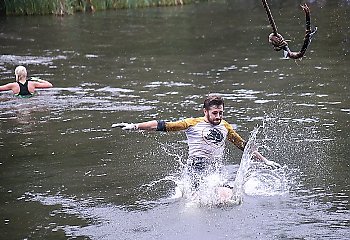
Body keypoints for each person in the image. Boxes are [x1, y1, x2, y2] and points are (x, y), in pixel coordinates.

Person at [113, 95, 280, 201]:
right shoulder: (192, 124)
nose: (218, 116)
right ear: (205, 111)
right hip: (196, 167)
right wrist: (135, 126)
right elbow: (163, 125)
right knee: (209, 200)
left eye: (221, 113)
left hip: (215, 168)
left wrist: (266, 161)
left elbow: (243, 146)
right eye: (215, 113)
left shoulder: (225, 126)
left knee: (230, 198)